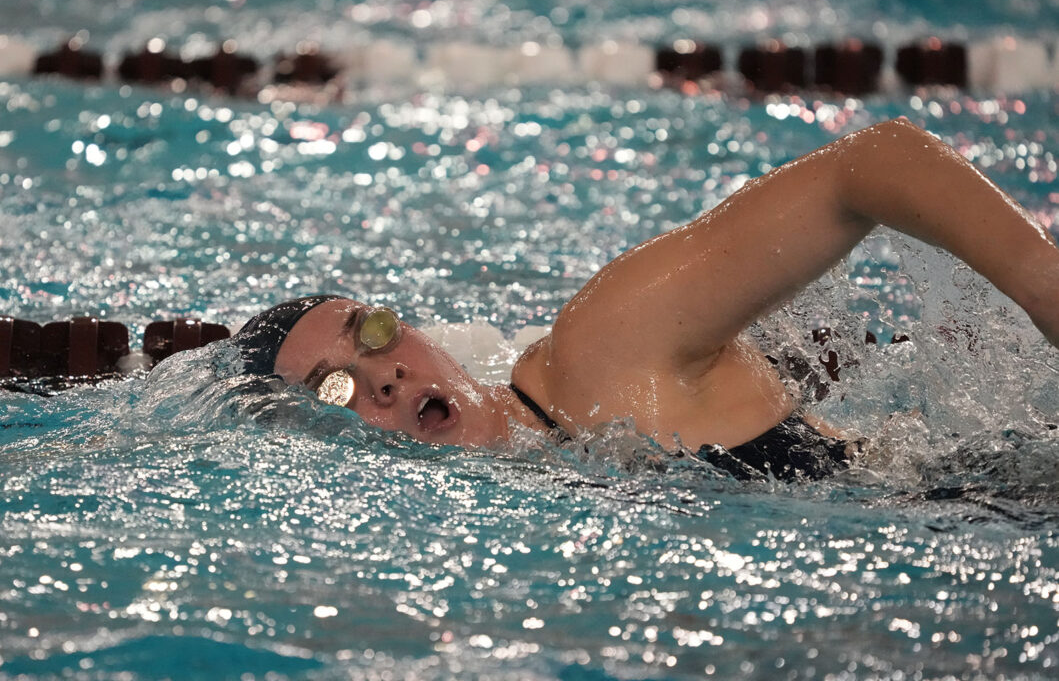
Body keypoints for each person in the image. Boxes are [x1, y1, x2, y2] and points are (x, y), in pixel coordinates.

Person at [225, 118, 1059, 479]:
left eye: (369, 335)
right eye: (332, 391)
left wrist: (1041, 286)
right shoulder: (541, 482)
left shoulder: (601, 353)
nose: (382, 380)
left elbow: (869, 164)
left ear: (416, 330)